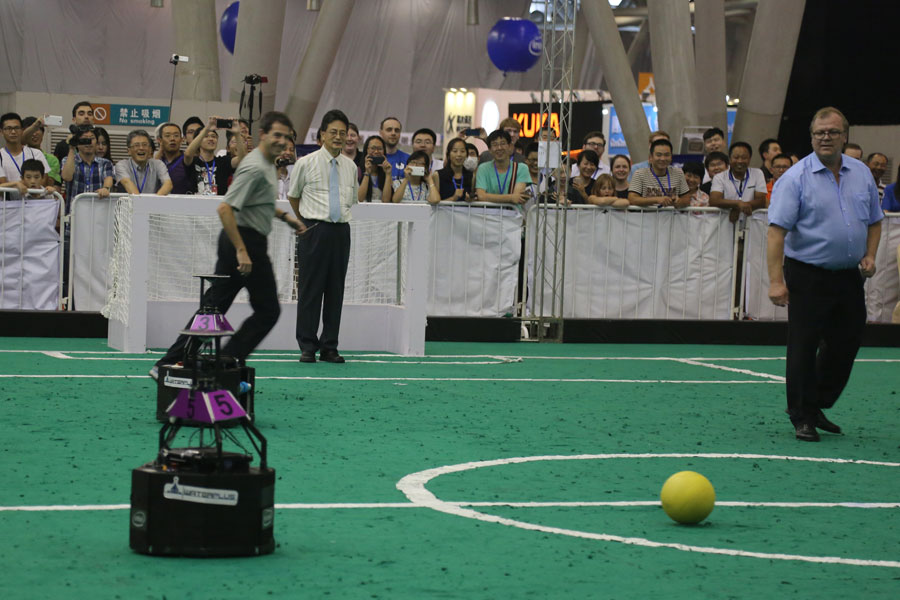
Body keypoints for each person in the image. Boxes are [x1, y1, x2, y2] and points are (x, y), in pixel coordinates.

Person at [151, 111, 304, 378]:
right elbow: (225, 209)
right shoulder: (255, 166)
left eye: (287, 136)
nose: (282, 140)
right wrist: (242, 250)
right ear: (263, 136)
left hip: (244, 241)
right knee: (268, 311)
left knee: (213, 310)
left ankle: (169, 363)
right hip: (243, 243)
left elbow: (255, 202)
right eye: (276, 135)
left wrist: (284, 216)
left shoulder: (267, 164)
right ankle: (227, 359)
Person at [767, 106, 883, 442]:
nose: (826, 138)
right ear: (812, 137)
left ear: (845, 135)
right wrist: (776, 281)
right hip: (807, 274)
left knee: (847, 340)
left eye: (832, 132)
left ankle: (817, 402)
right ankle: (802, 415)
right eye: (819, 133)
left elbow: (875, 220)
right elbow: (776, 233)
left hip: (849, 276)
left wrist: (871, 254)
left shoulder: (861, 173)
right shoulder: (795, 178)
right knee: (803, 345)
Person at [288, 109, 359, 364]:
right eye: (334, 132)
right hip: (313, 230)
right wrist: (306, 222)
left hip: (341, 231)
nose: (339, 137)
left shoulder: (351, 167)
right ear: (322, 135)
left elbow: (351, 201)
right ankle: (307, 346)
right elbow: (293, 196)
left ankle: (330, 346)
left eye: (343, 133)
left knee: (335, 291)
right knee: (310, 290)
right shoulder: (305, 163)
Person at [183, 116, 246, 195]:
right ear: (198, 141)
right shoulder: (194, 161)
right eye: (206, 136)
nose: (211, 139)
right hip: (195, 205)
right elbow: (187, 154)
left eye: (214, 136)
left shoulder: (223, 162)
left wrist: (237, 133)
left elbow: (242, 159)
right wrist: (206, 129)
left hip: (218, 205)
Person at [709, 141, 766, 222]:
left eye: (744, 157)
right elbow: (714, 200)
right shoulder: (719, 177)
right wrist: (737, 204)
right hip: (726, 223)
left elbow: (761, 200)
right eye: (736, 157)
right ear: (730, 159)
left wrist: (739, 207)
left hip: (751, 224)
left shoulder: (758, 173)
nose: (740, 161)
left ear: (749, 159)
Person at [60, 126, 114, 210]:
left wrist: (105, 188)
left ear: (96, 142)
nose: (89, 143)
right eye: (84, 139)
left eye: (92, 139)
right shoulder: (67, 160)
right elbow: (67, 177)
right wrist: (71, 147)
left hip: (97, 213)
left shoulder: (105, 163)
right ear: (78, 142)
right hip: (74, 214)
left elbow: (108, 179)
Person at [627, 138, 691, 207]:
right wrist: (656, 200)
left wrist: (678, 201)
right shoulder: (640, 174)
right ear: (650, 157)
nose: (663, 158)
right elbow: (632, 199)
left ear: (671, 157)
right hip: (647, 217)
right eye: (659, 155)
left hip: (672, 216)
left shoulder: (678, 173)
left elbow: (687, 200)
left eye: (666, 155)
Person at [474, 130, 531, 205]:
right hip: (488, 215)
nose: (499, 148)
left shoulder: (521, 168)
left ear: (510, 147)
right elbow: (481, 196)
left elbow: (517, 198)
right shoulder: (483, 168)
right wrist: (511, 198)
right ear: (490, 150)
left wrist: (488, 197)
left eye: (503, 144)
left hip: (513, 214)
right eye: (495, 145)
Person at [0, 113, 51, 195]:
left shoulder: (36, 153)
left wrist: (15, 185)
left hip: (34, 203)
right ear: (1, 132)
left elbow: (44, 180)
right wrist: (18, 184)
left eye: (16, 128)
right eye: (8, 128)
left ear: (22, 130)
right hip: (8, 205)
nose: (13, 132)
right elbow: (2, 188)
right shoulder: (1, 156)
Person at [115, 130, 172, 195]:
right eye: (136, 145)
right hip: (131, 204)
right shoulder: (122, 165)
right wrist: (141, 203)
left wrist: (155, 201)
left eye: (145, 145)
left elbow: (168, 184)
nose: (141, 148)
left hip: (153, 203)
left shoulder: (158, 164)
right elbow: (127, 183)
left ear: (150, 149)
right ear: (129, 151)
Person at [20, 116, 61, 187]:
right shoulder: (18, 155)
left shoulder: (52, 160)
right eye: (31, 131)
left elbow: (48, 183)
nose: (34, 134)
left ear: (43, 133)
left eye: (37, 130)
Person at [157, 122, 191, 194]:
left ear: (182, 140)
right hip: (158, 202)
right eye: (167, 136)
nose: (172, 139)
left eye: (176, 135)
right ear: (159, 140)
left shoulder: (188, 160)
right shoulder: (156, 161)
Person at [358, 135, 393, 202]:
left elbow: (386, 201)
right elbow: (360, 199)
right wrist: (367, 173)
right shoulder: (358, 171)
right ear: (366, 150)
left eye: (380, 149)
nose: (376, 151)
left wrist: (388, 174)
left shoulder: (386, 172)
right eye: (373, 148)